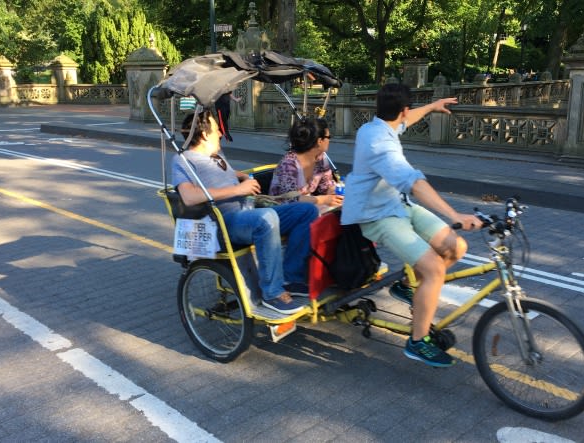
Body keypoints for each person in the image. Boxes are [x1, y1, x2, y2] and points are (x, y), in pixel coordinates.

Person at [341, 83, 482, 367]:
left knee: (456, 247)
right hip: (376, 216)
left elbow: (407, 119)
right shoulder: (378, 142)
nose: (408, 115)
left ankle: (407, 285)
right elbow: (415, 183)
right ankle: (417, 342)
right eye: (408, 110)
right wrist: (454, 215)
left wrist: (431, 107)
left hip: (397, 205)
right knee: (434, 269)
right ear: (401, 110)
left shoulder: (380, 125)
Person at [172, 110, 318, 315]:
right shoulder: (184, 160)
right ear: (204, 134)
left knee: (307, 211)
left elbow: (227, 173)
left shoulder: (216, 155)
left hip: (246, 214)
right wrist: (238, 190)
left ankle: (292, 278)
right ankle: (272, 293)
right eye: (217, 130)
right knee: (266, 219)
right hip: (222, 223)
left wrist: (244, 178)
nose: (221, 134)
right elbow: (189, 197)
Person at [269, 117, 344, 209]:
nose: (330, 140)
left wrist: (337, 192)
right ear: (319, 141)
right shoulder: (289, 164)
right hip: (283, 212)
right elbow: (289, 200)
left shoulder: (320, 157)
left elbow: (326, 186)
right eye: (329, 137)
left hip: (308, 208)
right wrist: (323, 200)